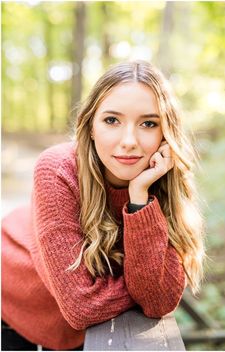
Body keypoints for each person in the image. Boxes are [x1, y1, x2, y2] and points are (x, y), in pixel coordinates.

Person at [1, 60, 205, 351]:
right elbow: (80, 306)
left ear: (165, 134)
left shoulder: (160, 181)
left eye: (148, 123)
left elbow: (159, 300)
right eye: (112, 120)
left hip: (80, 334)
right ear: (92, 126)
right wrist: (138, 285)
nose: (129, 141)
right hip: (15, 305)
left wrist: (139, 198)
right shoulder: (58, 169)